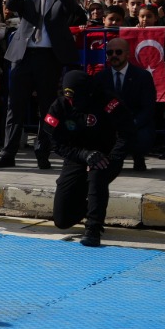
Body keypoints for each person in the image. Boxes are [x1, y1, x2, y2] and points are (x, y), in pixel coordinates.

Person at [0, 0, 87, 170]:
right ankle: (8, 153)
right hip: (23, 56)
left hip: (49, 57)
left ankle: (42, 152)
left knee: (46, 107)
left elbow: (77, 13)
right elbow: (10, 6)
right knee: (14, 107)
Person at [42, 70, 128, 246]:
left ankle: (93, 228)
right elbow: (56, 144)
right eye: (69, 98)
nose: (72, 102)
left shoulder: (107, 101)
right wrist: (83, 155)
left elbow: (127, 133)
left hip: (106, 155)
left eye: (76, 97)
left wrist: (113, 157)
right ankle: (89, 204)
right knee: (62, 220)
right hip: (77, 156)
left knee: (97, 174)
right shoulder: (60, 105)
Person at [93, 36, 156, 170]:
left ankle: (138, 156)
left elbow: (148, 107)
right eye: (110, 53)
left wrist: (132, 124)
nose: (114, 55)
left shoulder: (143, 76)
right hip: (110, 123)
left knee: (143, 135)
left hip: (135, 121)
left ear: (127, 54)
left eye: (118, 52)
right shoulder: (100, 78)